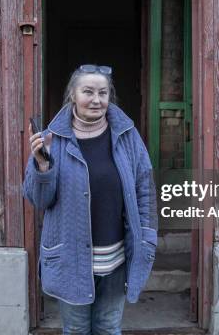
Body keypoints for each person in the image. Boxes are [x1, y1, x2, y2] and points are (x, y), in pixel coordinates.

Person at [23, 64, 157, 334]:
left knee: (108, 328)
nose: (96, 100)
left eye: (103, 93)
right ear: (73, 94)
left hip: (116, 259)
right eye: (88, 92)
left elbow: (145, 189)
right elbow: (39, 200)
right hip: (71, 261)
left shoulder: (127, 136)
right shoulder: (53, 139)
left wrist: (147, 236)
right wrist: (43, 166)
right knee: (76, 330)